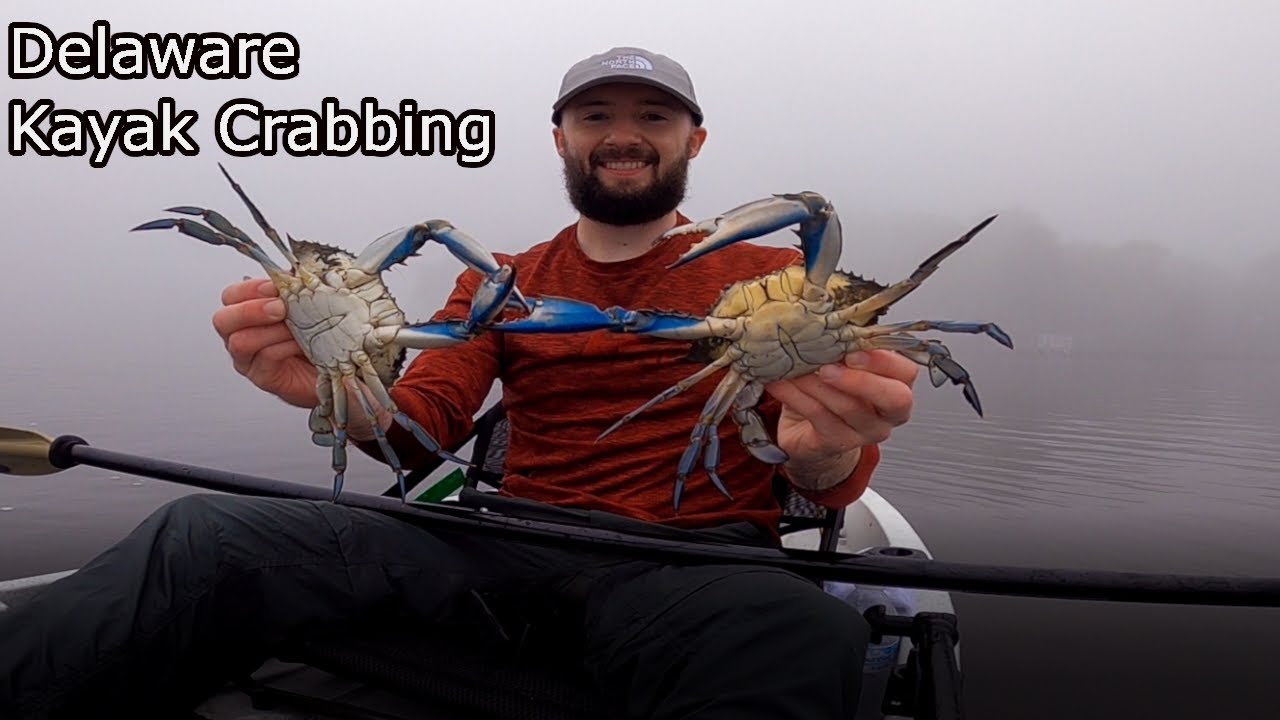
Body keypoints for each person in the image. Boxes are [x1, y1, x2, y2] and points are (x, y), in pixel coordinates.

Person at [0, 46, 919, 719]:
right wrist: (334, 390)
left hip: (694, 567)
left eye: (653, 117)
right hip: (497, 546)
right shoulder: (495, 278)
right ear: (561, 137)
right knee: (203, 532)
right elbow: (419, 431)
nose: (623, 137)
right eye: (596, 117)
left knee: (799, 634)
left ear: (694, 139)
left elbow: (816, 468)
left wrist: (833, 449)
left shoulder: (779, 282)